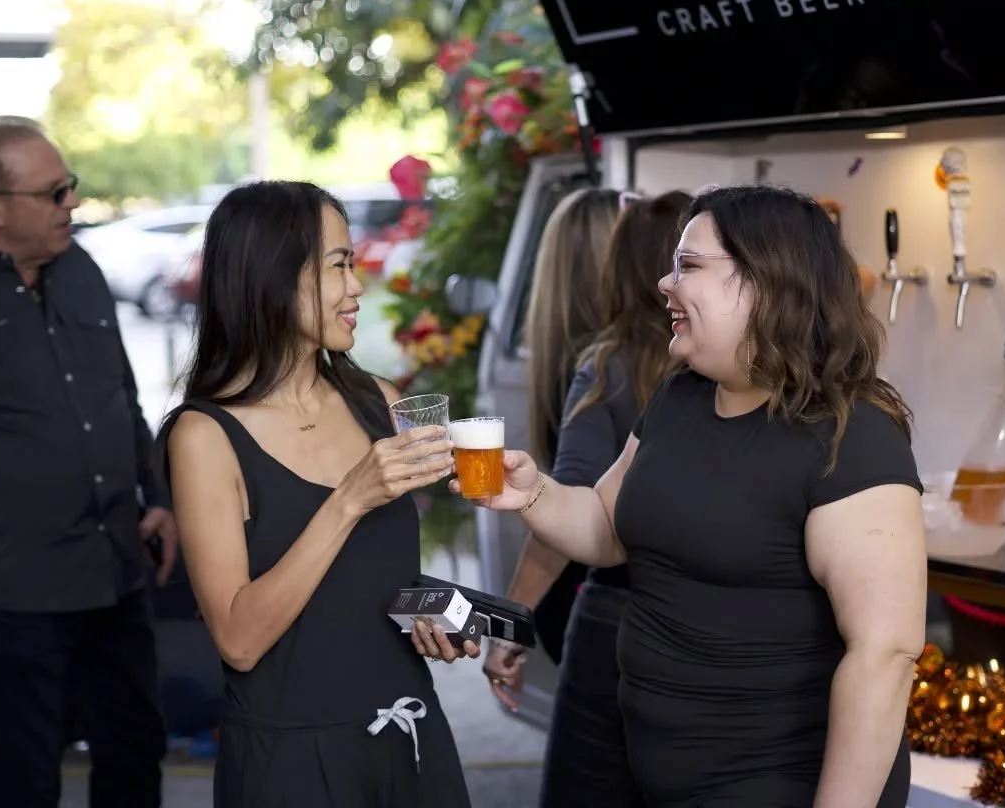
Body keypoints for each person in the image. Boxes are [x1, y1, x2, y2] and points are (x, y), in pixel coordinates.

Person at [466, 184, 926, 807]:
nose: (664, 283)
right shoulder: (681, 396)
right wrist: (533, 493)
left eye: (688, 266)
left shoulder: (852, 434)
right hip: (663, 777)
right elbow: (604, 527)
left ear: (767, 282)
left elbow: (885, 654)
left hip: (777, 782)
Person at [157, 180, 475, 808]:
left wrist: (439, 615)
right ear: (273, 277)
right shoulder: (204, 436)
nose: (358, 286)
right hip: (292, 760)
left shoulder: (380, 402)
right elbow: (239, 642)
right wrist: (349, 498)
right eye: (340, 265)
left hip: (409, 735)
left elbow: (382, 578)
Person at [0, 116, 176, 808]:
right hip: (12, 595)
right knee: (25, 779)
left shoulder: (80, 270)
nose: (71, 203)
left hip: (116, 572)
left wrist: (157, 493)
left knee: (135, 758)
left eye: (69, 186)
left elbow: (122, 400)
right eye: (54, 192)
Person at [485, 189, 691, 807]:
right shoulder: (727, 376)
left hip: (619, 623)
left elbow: (572, 509)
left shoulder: (610, 368)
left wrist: (506, 625)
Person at [514, 186, 623, 665]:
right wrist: (510, 619)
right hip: (595, 599)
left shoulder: (570, 361)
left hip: (574, 598)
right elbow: (570, 511)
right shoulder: (607, 369)